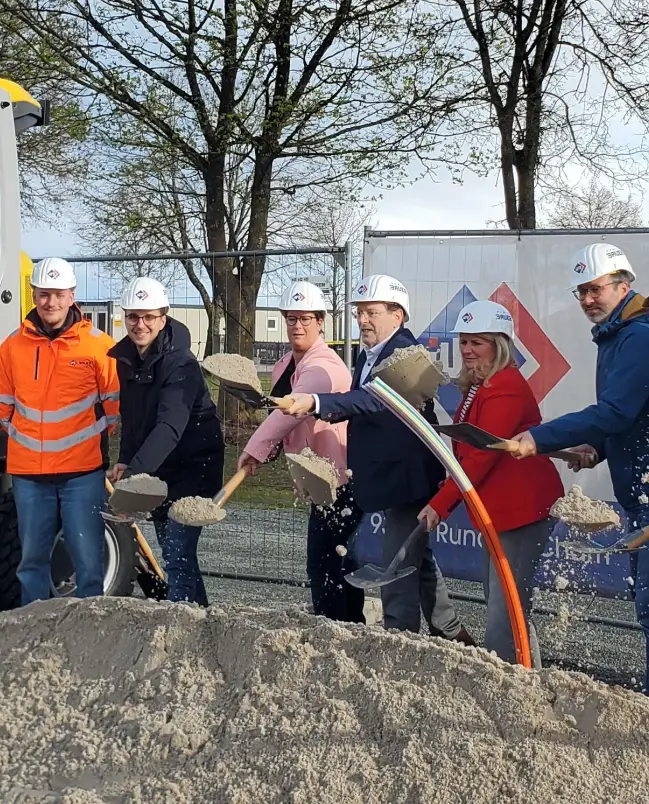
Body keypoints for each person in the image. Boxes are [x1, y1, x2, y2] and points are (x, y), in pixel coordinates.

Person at [505, 243, 649, 711]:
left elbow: (615, 411)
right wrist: (597, 452)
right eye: (582, 292)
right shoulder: (622, 334)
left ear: (623, 285)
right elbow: (637, 416)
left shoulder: (638, 338)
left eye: (595, 289)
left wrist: (539, 438)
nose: (588, 300)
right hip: (647, 486)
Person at [278, 274, 476, 645]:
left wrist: (317, 403)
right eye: (359, 312)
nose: (363, 320)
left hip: (407, 477)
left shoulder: (407, 354)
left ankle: (397, 642)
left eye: (371, 312)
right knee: (417, 557)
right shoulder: (366, 354)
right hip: (381, 474)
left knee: (397, 565)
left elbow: (377, 399)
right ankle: (452, 632)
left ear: (397, 315)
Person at [415, 301, 563, 664]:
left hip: (523, 510)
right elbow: (468, 452)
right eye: (464, 342)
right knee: (505, 603)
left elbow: (483, 454)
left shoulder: (506, 387)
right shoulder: (480, 387)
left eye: (477, 343)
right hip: (500, 511)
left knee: (504, 608)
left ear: (499, 345)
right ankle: (528, 678)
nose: (467, 350)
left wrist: (441, 503)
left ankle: (506, 683)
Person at [0, 256, 120, 605]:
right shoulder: (13, 346)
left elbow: (114, 406)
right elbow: (1, 405)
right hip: (30, 474)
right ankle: (34, 630)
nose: (51, 302)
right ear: (33, 295)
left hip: (81, 474)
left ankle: (91, 630)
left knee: (89, 562)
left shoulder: (98, 345)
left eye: (59, 294)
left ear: (72, 295)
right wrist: (27, 438)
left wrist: (88, 440)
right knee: (31, 562)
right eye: (44, 294)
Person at [239, 280, 360, 621]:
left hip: (338, 483)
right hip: (317, 483)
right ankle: (346, 626)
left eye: (306, 318)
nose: (297, 326)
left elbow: (289, 411)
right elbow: (278, 410)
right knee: (332, 563)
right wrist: (274, 447)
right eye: (292, 318)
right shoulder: (286, 365)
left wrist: (256, 449)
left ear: (321, 321)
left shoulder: (324, 367)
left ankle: (340, 629)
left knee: (327, 566)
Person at [106, 276, 222, 605]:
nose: (140, 324)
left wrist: (133, 479)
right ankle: (201, 618)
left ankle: (181, 624)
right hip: (159, 469)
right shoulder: (126, 359)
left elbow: (169, 427)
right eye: (133, 316)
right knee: (174, 553)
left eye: (149, 317)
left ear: (163, 317)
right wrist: (127, 459)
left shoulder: (181, 364)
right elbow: (131, 417)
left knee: (178, 552)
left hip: (194, 466)